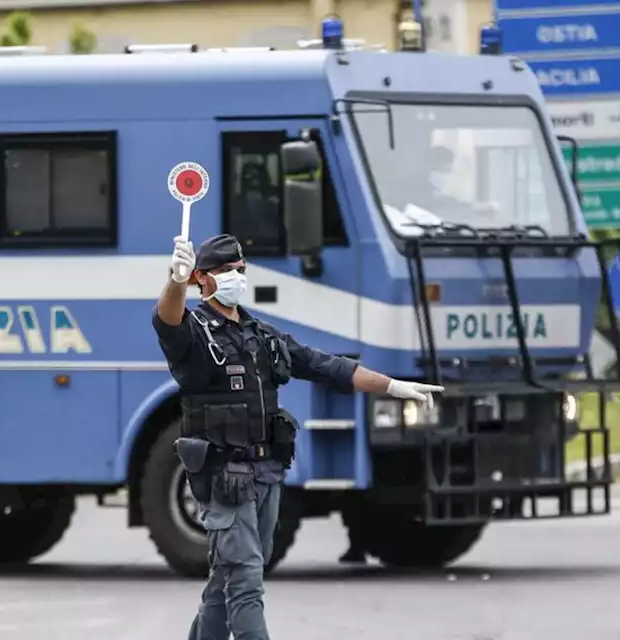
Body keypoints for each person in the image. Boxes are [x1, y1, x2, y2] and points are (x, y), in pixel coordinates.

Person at [153, 233, 444, 640]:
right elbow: (166, 321)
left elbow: (326, 366)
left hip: (266, 472)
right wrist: (175, 281)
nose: (237, 277)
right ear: (202, 278)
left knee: (228, 578)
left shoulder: (261, 335)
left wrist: (393, 386)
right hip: (224, 475)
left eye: (240, 270)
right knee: (246, 578)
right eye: (225, 271)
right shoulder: (195, 334)